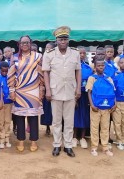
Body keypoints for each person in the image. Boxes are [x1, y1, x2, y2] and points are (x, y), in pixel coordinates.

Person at [43, 26, 82, 157]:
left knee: (69, 120)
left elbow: (78, 71)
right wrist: (47, 90)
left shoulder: (75, 53)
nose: (63, 41)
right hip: (55, 91)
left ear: (68, 40)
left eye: (65, 39)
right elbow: (46, 73)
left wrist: (78, 89)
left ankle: (68, 146)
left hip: (70, 90)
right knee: (57, 121)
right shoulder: (49, 54)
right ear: (56, 40)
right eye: (60, 39)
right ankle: (57, 145)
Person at [8, 35, 44, 153]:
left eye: (27, 42)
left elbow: (41, 74)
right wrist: (12, 90)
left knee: (33, 117)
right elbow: (11, 74)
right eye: (22, 43)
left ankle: (33, 141)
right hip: (19, 91)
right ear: (19, 44)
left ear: (30, 43)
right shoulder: (14, 57)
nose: (25, 44)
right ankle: (21, 140)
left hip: (33, 90)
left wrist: (42, 88)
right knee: (20, 117)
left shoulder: (38, 56)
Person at [86, 59, 116, 157]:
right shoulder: (92, 78)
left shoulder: (109, 78)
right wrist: (92, 105)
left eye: (102, 66)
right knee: (94, 128)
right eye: (98, 66)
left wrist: (114, 104)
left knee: (105, 127)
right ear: (95, 67)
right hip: (96, 107)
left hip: (106, 107)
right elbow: (89, 92)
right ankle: (94, 147)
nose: (101, 67)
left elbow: (113, 92)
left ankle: (105, 147)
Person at [72, 46, 92, 149]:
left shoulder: (88, 68)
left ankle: (83, 138)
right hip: (74, 95)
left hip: (85, 95)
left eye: (84, 53)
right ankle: (74, 137)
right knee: (74, 116)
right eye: (80, 53)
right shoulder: (71, 67)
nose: (82, 55)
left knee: (84, 115)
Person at [41, 42, 56, 137]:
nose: (47, 50)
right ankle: (47, 127)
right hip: (46, 87)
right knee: (46, 108)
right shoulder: (43, 60)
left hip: (56, 87)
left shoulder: (56, 58)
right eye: (46, 48)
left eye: (50, 48)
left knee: (55, 109)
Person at [0, 61, 12, 148]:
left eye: (6, 71)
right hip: (0, 103)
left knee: (7, 121)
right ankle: (1, 140)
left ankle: (7, 138)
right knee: (0, 121)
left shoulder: (10, 77)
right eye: (3, 71)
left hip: (9, 102)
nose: (4, 73)